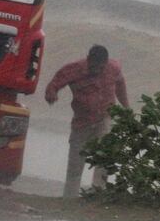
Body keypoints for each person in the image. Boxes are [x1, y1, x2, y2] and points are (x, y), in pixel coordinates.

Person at [45, 45, 129, 198]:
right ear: (88, 59)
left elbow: (120, 85)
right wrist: (51, 93)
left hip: (104, 117)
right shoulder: (74, 69)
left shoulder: (113, 68)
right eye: (93, 65)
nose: (96, 69)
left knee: (104, 158)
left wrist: (126, 107)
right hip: (82, 122)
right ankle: (69, 198)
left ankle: (97, 194)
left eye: (100, 66)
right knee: (76, 163)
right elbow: (54, 83)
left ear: (105, 63)